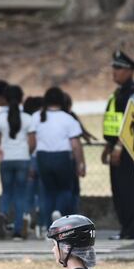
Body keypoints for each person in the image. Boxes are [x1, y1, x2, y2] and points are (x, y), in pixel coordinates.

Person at [101, 50, 134, 240]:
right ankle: (125, 229)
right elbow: (115, 122)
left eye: (118, 68)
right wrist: (108, 146)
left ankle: (132, 230)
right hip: (116, 147)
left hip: (126, 149)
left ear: (129, 71)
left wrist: (118, 147)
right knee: (118, 191)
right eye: (114, 67)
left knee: (128, 191)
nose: (114, 71)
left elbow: (129, 120)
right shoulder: (119, 92)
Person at [32, 87, 86, 236]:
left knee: (47, 192)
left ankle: (48, 225)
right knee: (65, 190)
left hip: (42, 157)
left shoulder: (36, 117)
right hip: (62, 157)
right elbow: (75, 144)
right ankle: (61, 216)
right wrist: (80, 163)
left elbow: (31, 140)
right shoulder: (68, 118)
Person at [0, 84, 35, 240]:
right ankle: (17, 231)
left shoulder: (0, 118)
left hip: (5, 159)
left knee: (6, 191)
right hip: (22, 158)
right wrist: (26, 155)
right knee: (21, 194)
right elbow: (32, 142)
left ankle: (2, 213)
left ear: (5, 99)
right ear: (22, 98)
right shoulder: (28, 118)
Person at [23, 95, 45, 238]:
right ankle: (41, 224)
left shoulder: (25, 121)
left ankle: (25, 216)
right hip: (42, 159)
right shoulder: (42, 120)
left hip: (28, 158)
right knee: (42, 194)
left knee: (27, 193)